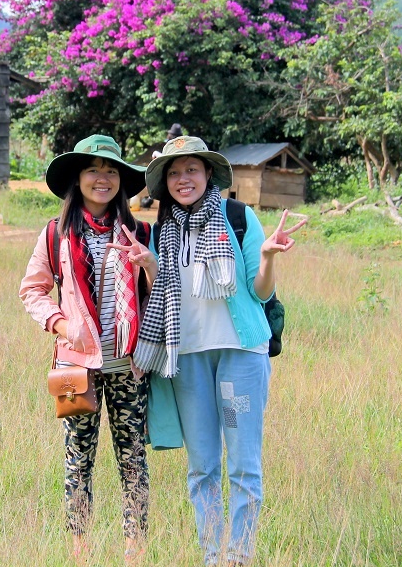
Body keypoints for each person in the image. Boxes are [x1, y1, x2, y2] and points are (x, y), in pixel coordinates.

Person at [132, 135, 306, 566]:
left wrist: (267, 258)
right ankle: (213, 557)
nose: (182, 179)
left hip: (239, 354)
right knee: (202, 467)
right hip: (188, 357)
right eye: (173, 172)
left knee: (243, 466)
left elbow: (260, 292)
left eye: (191, 169)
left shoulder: (240, 218)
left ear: (208, 173)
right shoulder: (160, 232)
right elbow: (164, 299)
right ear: (164, 182)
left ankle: (240, 556)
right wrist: (151, 268)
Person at [19, 134, 159, 563]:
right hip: (74, 369)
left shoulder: (140, 231)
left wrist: (148, 266)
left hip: (128, 366)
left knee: (133, 457)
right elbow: (33, 291)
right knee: (78, 457)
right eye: (93, 169)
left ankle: (134, 548)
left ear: (121, 179)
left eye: (111, 170)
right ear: (77, 178)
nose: (103, 178)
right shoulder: (55, 233)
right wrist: (61, 323)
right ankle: (80, 547)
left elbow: (160, 298)